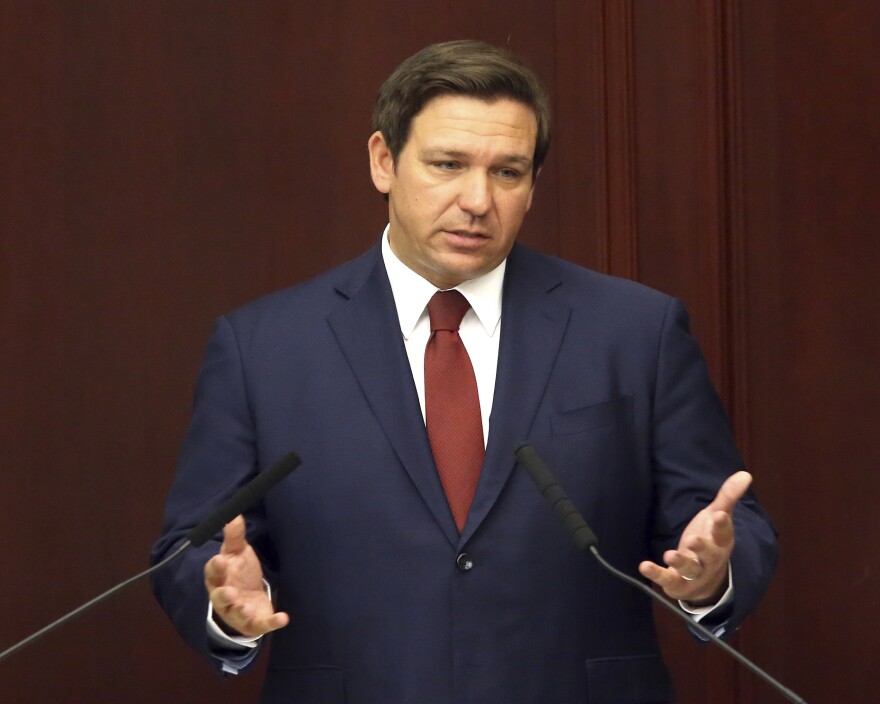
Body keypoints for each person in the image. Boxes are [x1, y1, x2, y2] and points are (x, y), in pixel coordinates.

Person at [151, 39, 776, 704]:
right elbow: (194, 547)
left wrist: (712, 575)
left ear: (533, 185)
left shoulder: (635, 332)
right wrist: (226, 603)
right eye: (448, 164)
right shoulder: (263, 346)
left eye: (508, 173)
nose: (478, 199)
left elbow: (725, 525)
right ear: (383, 161)